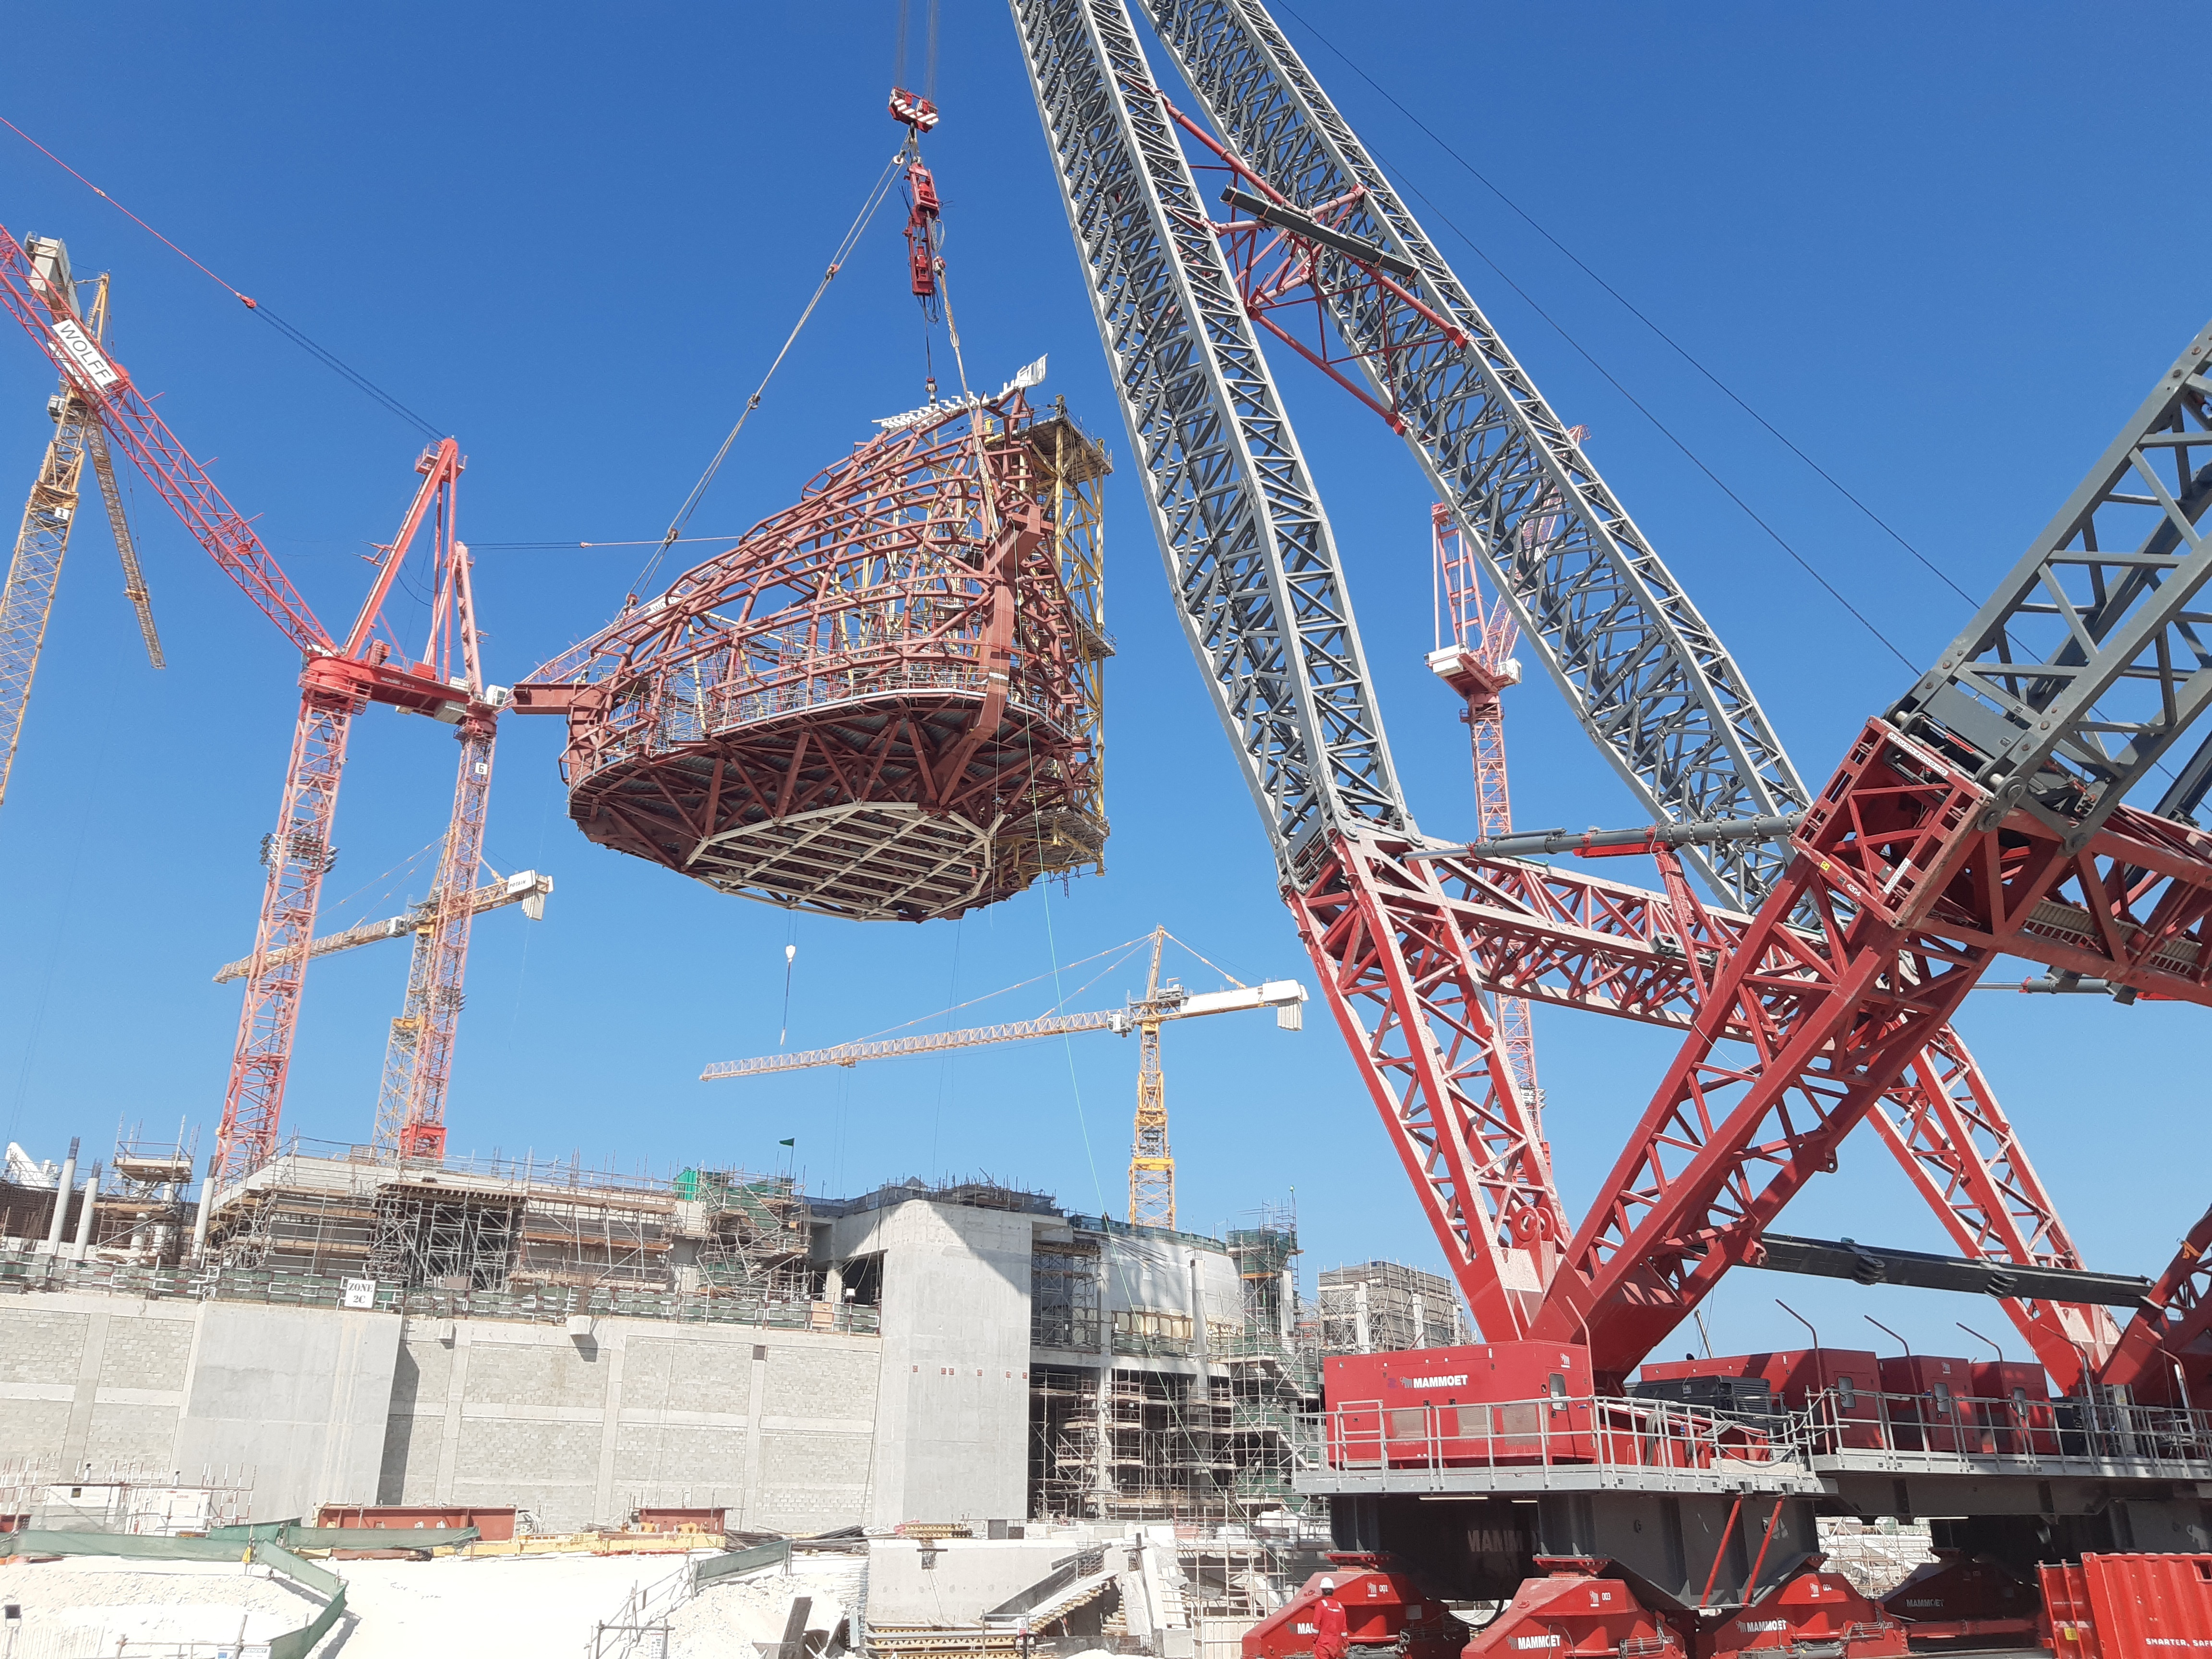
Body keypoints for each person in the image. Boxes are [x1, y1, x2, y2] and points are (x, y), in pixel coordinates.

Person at [1312, 1577, 1349, 1659]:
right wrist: (1345, 1644)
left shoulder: (1321, 1605)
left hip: (1323, 1644)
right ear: (1333, 1591)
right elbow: (1344, 1629)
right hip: (1336, 1645)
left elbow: (1316, 1625)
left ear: (1322, 1592)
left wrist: (1314, 1640)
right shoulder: (1340, 1607)